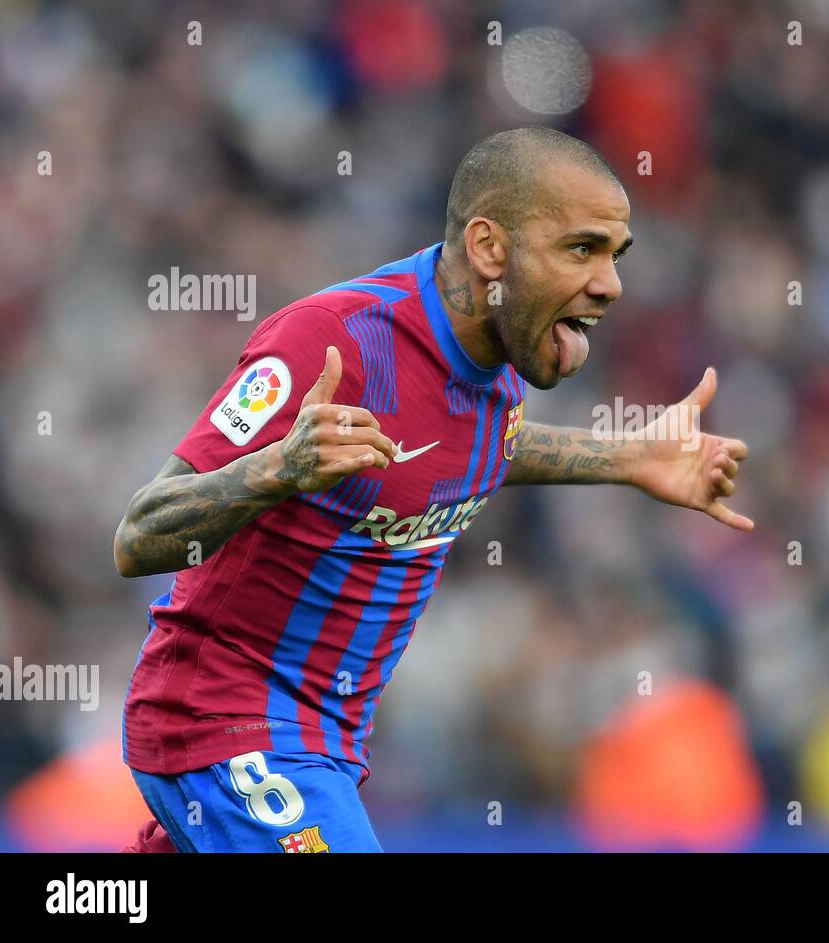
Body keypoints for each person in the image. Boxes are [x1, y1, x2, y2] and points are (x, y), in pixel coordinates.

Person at [112, 127, 752, 852]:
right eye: (582, 248)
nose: (611, 282)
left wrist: (626, 457)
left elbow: (477, 445)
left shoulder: (498, 359)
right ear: (488, 249)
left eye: (615, 255)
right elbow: (140, 533)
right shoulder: (334, 343)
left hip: (325, 741)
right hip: (224, 721)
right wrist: (278, 468)